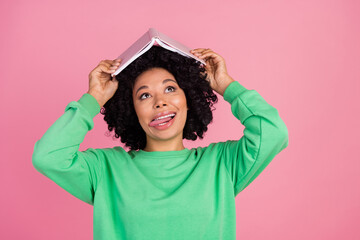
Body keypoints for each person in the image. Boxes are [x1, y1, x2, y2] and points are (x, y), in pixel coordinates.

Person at [32, 45, 289, 240]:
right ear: (132, 110)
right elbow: (48, 156)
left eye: (170, 89)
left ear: (188, 99)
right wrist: (93, 98)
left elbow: (273, 132)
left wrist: (226, 84)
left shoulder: (221, 164)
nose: (160, 102)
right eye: (144, 95)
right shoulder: (105, 169)